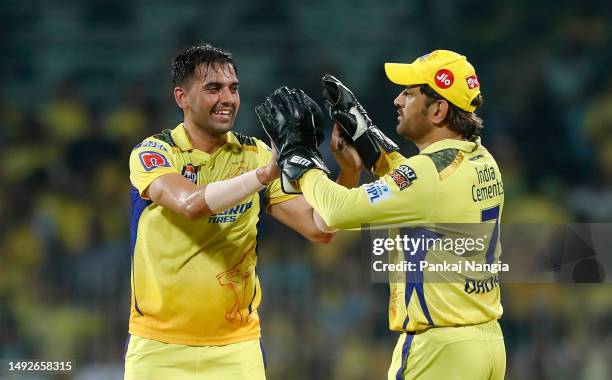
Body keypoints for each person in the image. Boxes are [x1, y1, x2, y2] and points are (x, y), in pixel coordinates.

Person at [257, 50, 506, 379]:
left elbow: (336, 210)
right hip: (485, 343)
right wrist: (365, 136)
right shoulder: (481, 159)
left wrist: (298, 149)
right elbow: (417, 186)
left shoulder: (428, 175)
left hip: (439, 350)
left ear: (438, 109)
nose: (397, 100)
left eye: (409, 93)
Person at [124, 43, 356, 380]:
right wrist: (263, 176)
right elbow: (190, 204)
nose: (228, 99)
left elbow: (319, 229)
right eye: (213, 88)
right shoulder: (156, 151)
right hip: (157, 349)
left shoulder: (257, 154)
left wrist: (348, 172)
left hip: (236, 350)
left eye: (233, 88)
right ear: (181, 97)